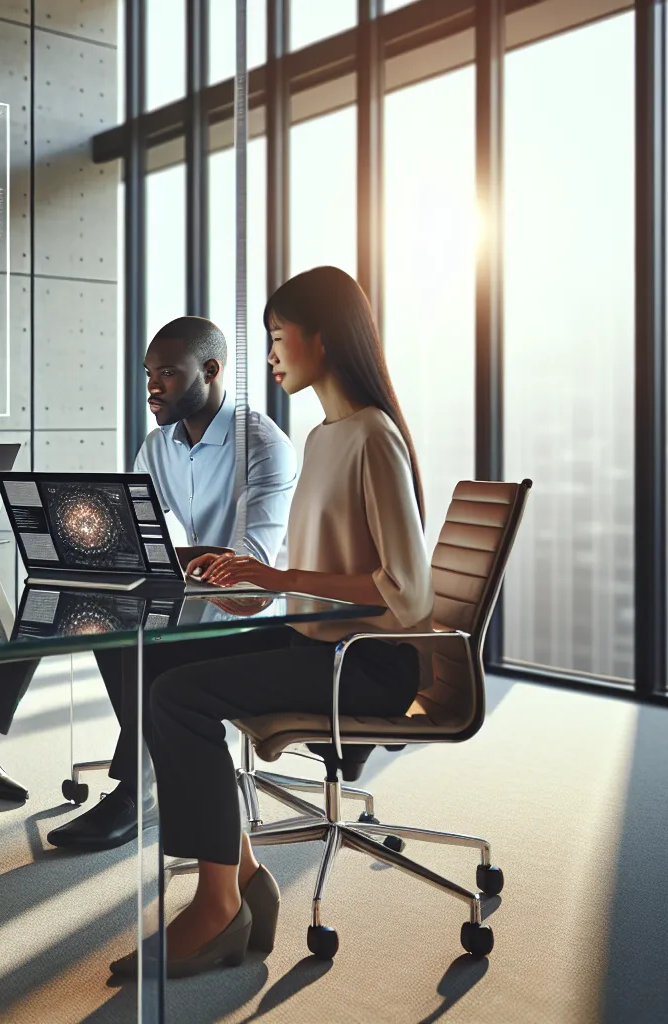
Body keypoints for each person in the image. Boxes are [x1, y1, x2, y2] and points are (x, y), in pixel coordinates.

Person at [116, 266, 433, 978]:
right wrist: (249, 579)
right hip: (320, 637)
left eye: (279, 338)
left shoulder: (371, 437)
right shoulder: (326, 436)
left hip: (370, 663)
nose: (271, 356)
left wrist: (277, 577)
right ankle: (243, 871)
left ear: (321, 340)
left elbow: (406, 594)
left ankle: (218, 903)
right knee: (160, 661)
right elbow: (311, 573)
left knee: (178, 697)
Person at [0, 317, 296, 855]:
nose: (152, 386)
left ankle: (139, 788)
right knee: (63, 595)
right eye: (148, 373)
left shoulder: (263, 447)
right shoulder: (159, 447)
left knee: (113, 619)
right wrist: (113, 554)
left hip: (253, 619)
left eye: (168, 374)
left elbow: (249, 574)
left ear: (210, 371)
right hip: (197, 603)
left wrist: (164, 558)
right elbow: (140, 538)